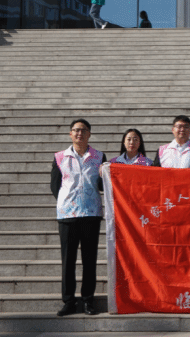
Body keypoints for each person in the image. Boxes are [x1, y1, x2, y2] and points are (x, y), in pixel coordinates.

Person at [50, 119, 106, 317]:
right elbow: (55, 185)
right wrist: (67, 202)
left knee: (89, 260)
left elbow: (102, 185)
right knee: (68, 260)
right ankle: (69, 301)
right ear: (70, 134)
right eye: (76, 130)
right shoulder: (60, 157)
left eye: (83, 130)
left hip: (91, 214)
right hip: (68, 215)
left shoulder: (99, 156)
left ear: (89, 133)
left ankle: (88, 300)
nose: (79, 133)